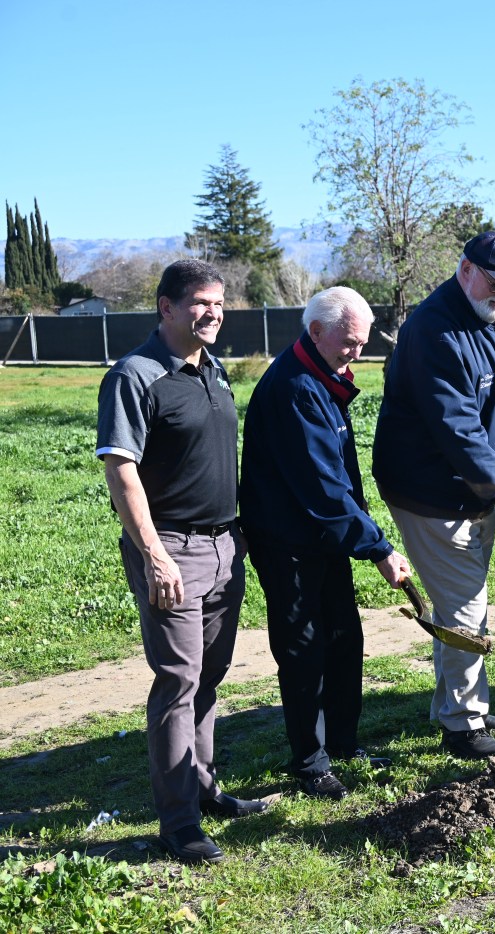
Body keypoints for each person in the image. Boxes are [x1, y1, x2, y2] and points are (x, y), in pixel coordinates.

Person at [96, 259, 264, 864]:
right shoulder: (135, 376)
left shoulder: (212, 372)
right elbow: (122, 473)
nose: (213, 313)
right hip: (173, 551)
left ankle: (203, 787)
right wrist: (156, 558)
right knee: (178, 682)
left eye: (219, 303)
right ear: (165, 307)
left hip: (224, 547)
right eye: (200, 302)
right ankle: (178, 824)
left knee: (209, 678)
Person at [372, 231, 495, 760]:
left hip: (481, 484)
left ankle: (451, 704)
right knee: (467, 609)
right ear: (465, 269)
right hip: (430, 489)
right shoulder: (433, 331)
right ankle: (463, 726)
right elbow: (458, 430)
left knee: (457, 604)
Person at [240, 287, 413, 800]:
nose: (357, 352)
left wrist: (360, 537)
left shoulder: (323, 378)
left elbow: (336, 484)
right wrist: (379, 548)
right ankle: (310, 763)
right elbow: (323, 488)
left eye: (361, 343)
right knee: (303, 650)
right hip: (289, 543)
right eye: (350, 342)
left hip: (324, 540)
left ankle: (342, 743)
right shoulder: (295, 389)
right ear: (316, 331)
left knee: (344, 639)